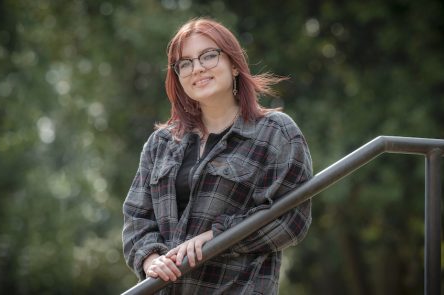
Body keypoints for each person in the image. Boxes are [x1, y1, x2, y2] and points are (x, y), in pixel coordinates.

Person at [122, 17, 313, 294]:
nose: (196, 68)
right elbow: (136, 217)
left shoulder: (276, 133)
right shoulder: (160, 144)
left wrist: (217, 237)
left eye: (208, 56)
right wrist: (151, 259)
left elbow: (292, 219)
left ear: (234, 65)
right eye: (184, 63)